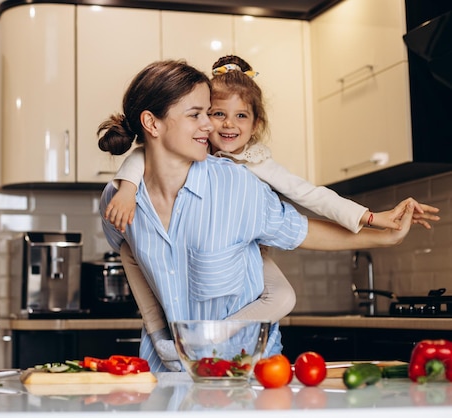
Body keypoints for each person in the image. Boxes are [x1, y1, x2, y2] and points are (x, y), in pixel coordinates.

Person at [101, 56, 440, 370]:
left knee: (280, 294)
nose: (212, 125)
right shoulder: (118, 199)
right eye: (199, 114)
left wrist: (380, 230)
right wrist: (158, 331)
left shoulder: (243, 181)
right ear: (152, 123)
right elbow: (129, 248)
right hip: (166, 373)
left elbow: (304, 218)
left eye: (212, 112)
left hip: (245, 370)